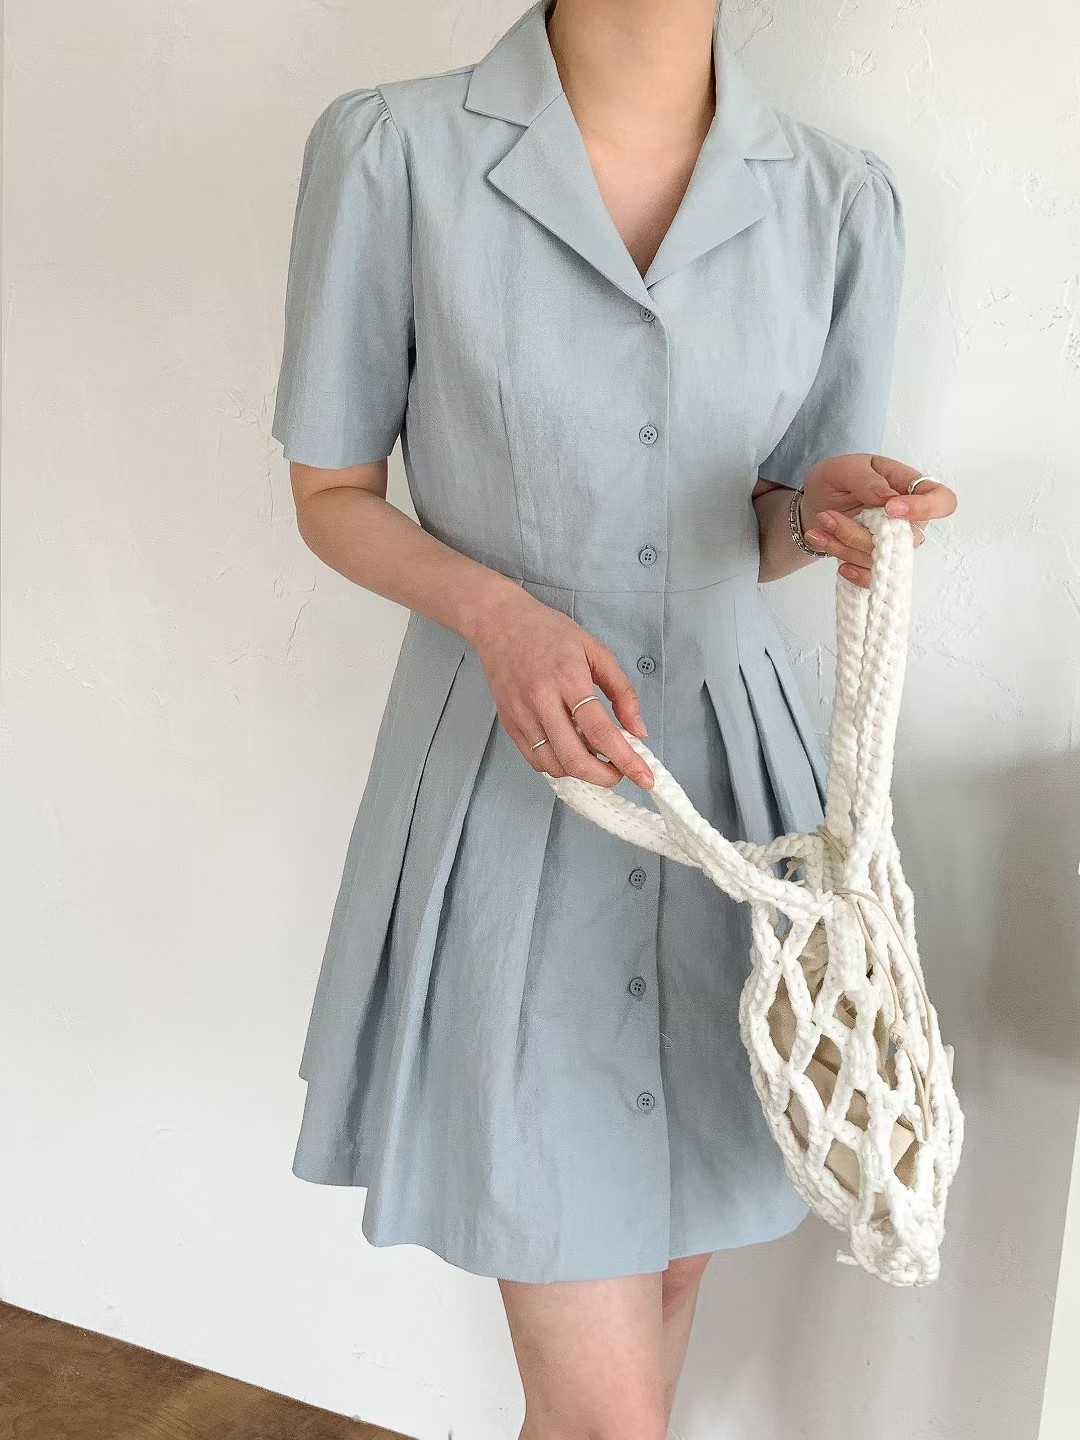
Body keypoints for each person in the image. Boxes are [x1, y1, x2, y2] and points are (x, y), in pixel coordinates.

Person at [270, 0, 957, 1433]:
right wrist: (499, 615)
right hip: (515, 781)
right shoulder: (396, 151)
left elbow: (770, 512)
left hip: (737, 804)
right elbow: (333, 496)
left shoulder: (839, 199)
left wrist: (827, 515)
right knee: (607, 1403)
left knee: (661, 1286)